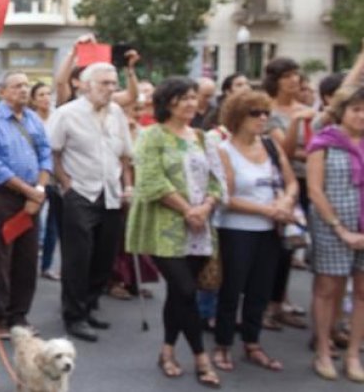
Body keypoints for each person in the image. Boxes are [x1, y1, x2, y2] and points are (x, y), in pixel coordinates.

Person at [125, 77, 224, 388]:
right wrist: (187, 210)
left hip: (199, 228)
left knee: (179, 295)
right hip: (164, 228)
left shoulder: (202, 137)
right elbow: (150, 181)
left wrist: (205, 207)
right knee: (186, 290)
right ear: (168, 103)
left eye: (194, 97)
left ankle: (167, 351)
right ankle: (201, 357)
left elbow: (217, 181)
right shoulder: (151, 136)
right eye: (185, 98)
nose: (192, 103)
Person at [209, 89, 296, 373]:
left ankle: (252, 342)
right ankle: (223, 344)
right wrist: (266, 210)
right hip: (236, 229)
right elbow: (226, 197)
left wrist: (285, 202)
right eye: (254, 113)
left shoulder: (270, 145)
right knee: (231, 289)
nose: (262, 118)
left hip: (270, 229)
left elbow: (291, 182)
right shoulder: (224, 150)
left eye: (266, 113)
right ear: (237, 117)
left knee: (261, 288)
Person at [49, 63, 134, 342]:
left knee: (104, 257)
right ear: (86, 85)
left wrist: (128, 186)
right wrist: (65, 183)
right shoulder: (67, 113)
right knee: (78, 258)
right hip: (80, 192)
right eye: (104, 83)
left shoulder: (117, 113)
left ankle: (89, 306)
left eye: (113, 83)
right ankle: (74, 316)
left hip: (110, 192)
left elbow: (125, 155)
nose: (111, 88)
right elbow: (52, 151)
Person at [0, 71, 53, 338]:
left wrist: (39, 190)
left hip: (32, 197)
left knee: (27, 258)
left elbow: (46, 154)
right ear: (3, 92)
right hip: (3, 196)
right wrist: (29, 191)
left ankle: (19, 315)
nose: (23, 89)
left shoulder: (33, 119)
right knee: (0, 259)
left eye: (26, 85)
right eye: (17, 85)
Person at [307, 85, 364, 381]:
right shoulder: (324, 142)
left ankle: (353, 355)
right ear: (342, 111)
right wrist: (340, 229)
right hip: (331, 225)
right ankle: (323, 352)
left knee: (362, 292)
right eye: (356, 109)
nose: (362, 115)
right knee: (327, 288)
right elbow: (315, 190)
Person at [261, 57, 311, 329]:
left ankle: (279, 303)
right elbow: (286, 151)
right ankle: (267, 306)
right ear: (275, 80)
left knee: (291, 247)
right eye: (287, 75)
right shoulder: (267, 110)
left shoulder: (306, 108)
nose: (294, 80)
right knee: (276, 249)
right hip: (279, 184)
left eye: (296, 74)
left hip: (307, 182)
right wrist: (295, 122)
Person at [30, 81, 61, 281]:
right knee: (31, 221)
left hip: (56, 179)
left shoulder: (58, 117)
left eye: (48, 94)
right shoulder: (29, 120)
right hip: (36, 179)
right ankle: (28, 262)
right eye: (41, 94)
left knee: (53, 225)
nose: (45, 98)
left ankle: (47, 265)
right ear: (33, 99)